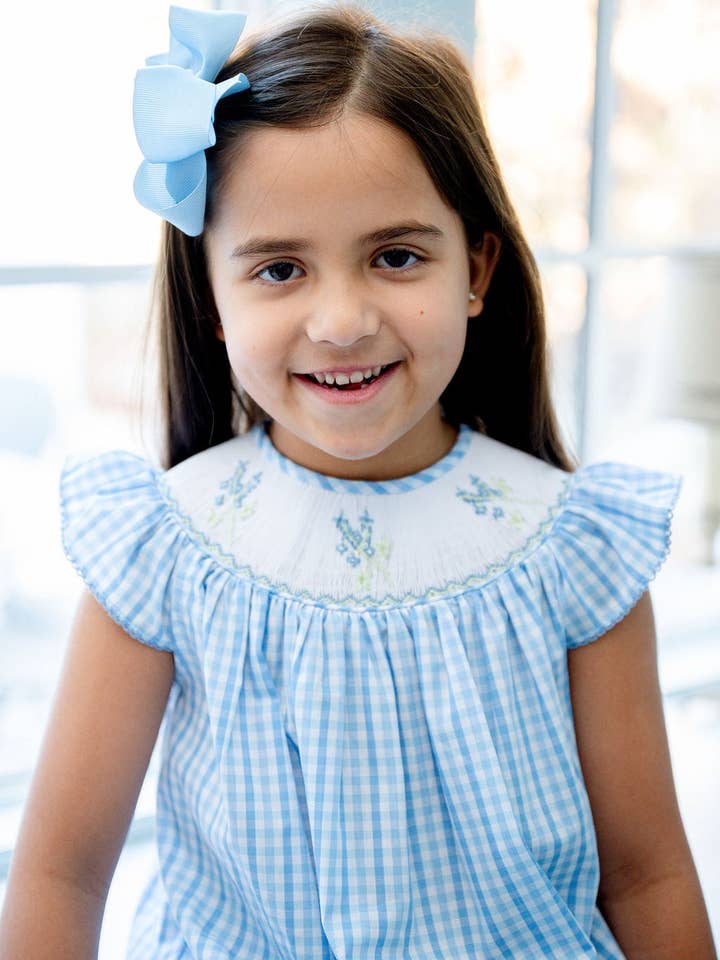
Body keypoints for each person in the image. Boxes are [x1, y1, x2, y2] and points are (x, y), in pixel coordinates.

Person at [0, 4, 716, 958]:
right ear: (211, 300)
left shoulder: (573, 546)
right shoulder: (167, 545)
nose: (341, 320)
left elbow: (648, 875)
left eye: (395, 256)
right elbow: (60, 872)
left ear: (476, 268)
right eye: (280, 268)